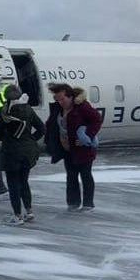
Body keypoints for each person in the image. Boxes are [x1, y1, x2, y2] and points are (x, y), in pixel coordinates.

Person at [45, 83, 103, 211]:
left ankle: (88, 203)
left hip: (83, 149)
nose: (60, 102)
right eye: (57, 99)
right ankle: (73, 203)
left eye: (62, 99)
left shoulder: (82, 107)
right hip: (67, 149)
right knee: (71, 176)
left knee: (85, 175)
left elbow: (97, 119)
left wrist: (87, 136)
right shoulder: (58, 109)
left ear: (70, 97)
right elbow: (51, 124)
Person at [0, 87, 45, 225]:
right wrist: (31, 140)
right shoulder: (28, 109)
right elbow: (42, 128)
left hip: (11, 152)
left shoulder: (3, 112)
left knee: (13, 184)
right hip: (28, 152)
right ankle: (29, 211)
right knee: (24, 181)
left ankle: (17, 215)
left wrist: (0, 139)